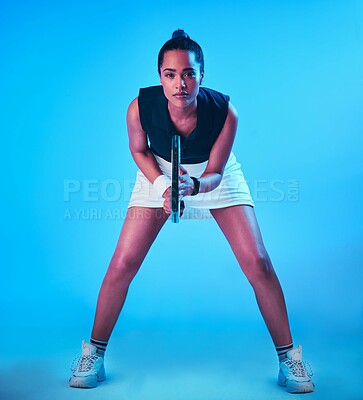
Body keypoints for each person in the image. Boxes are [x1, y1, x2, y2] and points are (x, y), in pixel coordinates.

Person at [69, 29, 314, 394]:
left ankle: (288, 359)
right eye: (170, 74)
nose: (180, 84)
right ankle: (94, 354)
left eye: (188, 74)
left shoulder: (225, 112)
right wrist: (163, 187)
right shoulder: (138, 107)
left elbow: (216, 169)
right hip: (158, 172)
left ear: (202, 75)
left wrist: (195, 186)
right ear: (160, 77)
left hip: (214, 176)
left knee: (258, 262)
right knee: (122, 264)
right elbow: (139, 151)